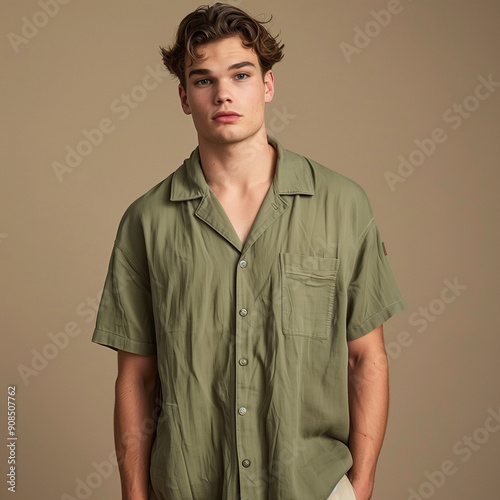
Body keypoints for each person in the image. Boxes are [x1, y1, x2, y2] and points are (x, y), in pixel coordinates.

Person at [91, 3, 407, 500]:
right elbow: (136, 377)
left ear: (267, 85)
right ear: (183, 96)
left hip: (312, 489)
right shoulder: (145, 222)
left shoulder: (344, 206)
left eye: (240, 74)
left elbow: (367, 359)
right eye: (203, 80)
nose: (223, 94)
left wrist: (360, 487)